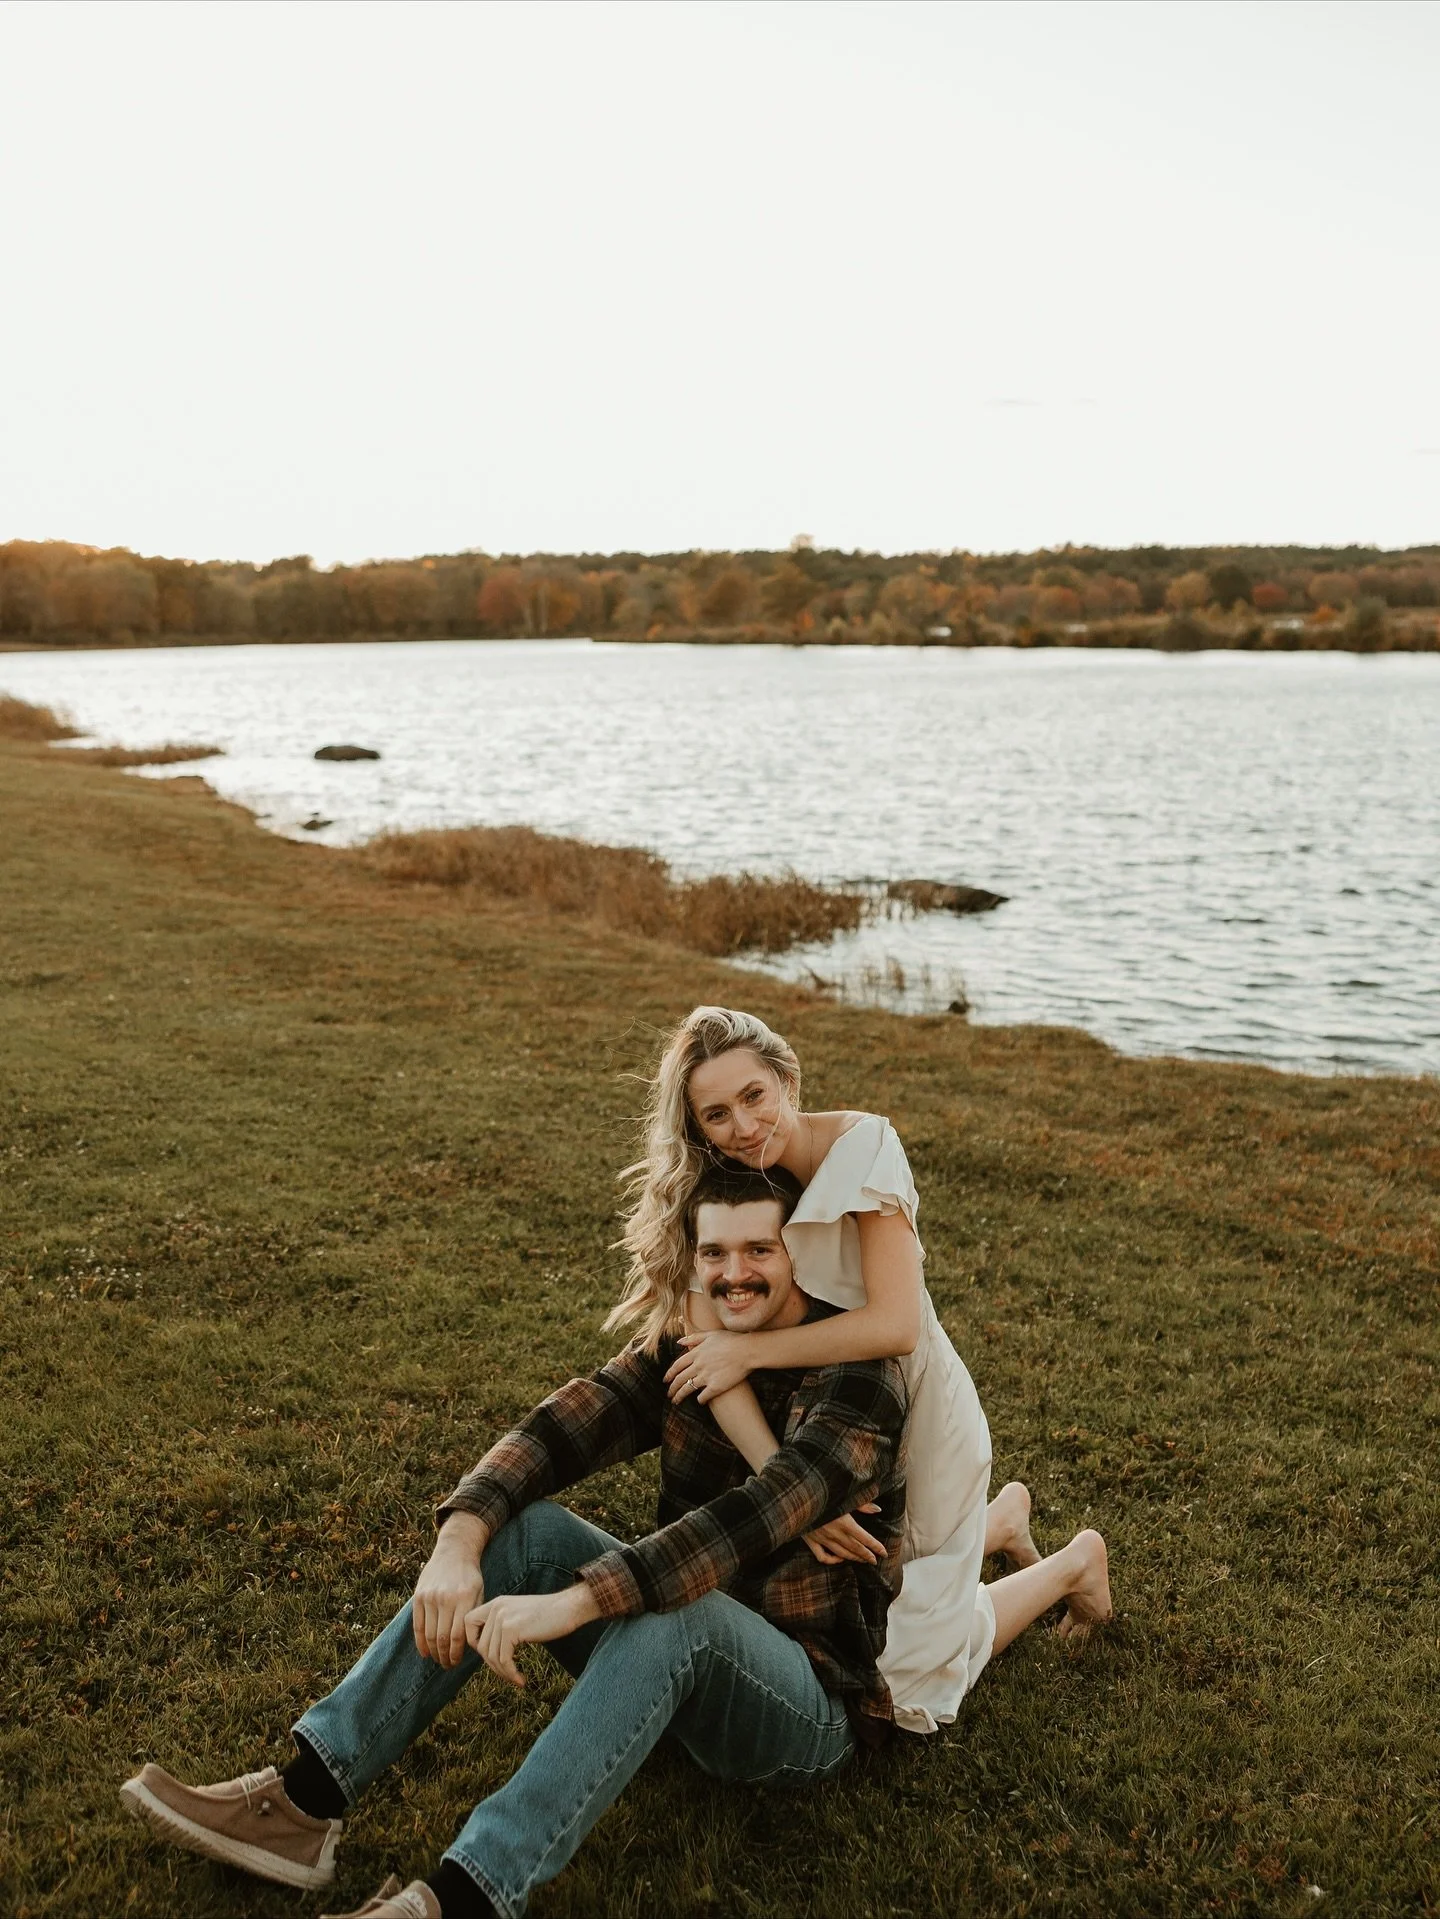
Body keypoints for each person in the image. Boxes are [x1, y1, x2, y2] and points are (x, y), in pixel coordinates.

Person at [612, 1004, 1114, 1733]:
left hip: (917, 1411)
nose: (744, 1127)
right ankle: (1001, 1519)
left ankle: (1073, 1563)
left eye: (755, 1096)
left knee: (902, 1677)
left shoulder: (865, 1146)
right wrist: (792, 1490)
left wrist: (749, 1350)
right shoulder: (723, 1189)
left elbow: (895, 1325)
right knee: (867, 1591)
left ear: (787, 1077)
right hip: (819, 1428)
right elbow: (705, 1357)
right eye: (716, 1114)